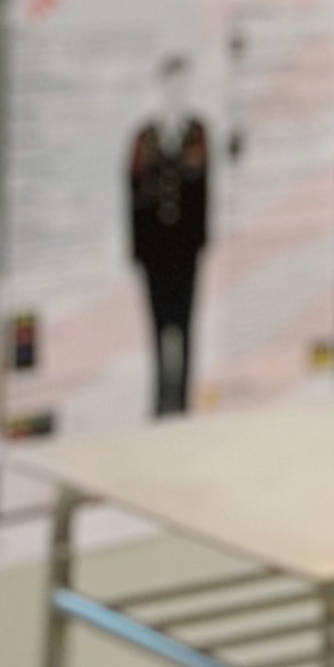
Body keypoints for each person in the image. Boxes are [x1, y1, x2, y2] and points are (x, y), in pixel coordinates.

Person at [128, 53, 210, 415]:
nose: (177, 92)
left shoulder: (197, 132)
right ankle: (160, 399)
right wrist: (136, 248)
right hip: (154, 248)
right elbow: (132, 192)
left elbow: (206, 189)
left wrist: (202, 239)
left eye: (183, 84)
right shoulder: (145, 137)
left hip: (187, 246)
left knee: (185, 324)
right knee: (158, 325)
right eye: (171, 84)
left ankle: (184, 401)